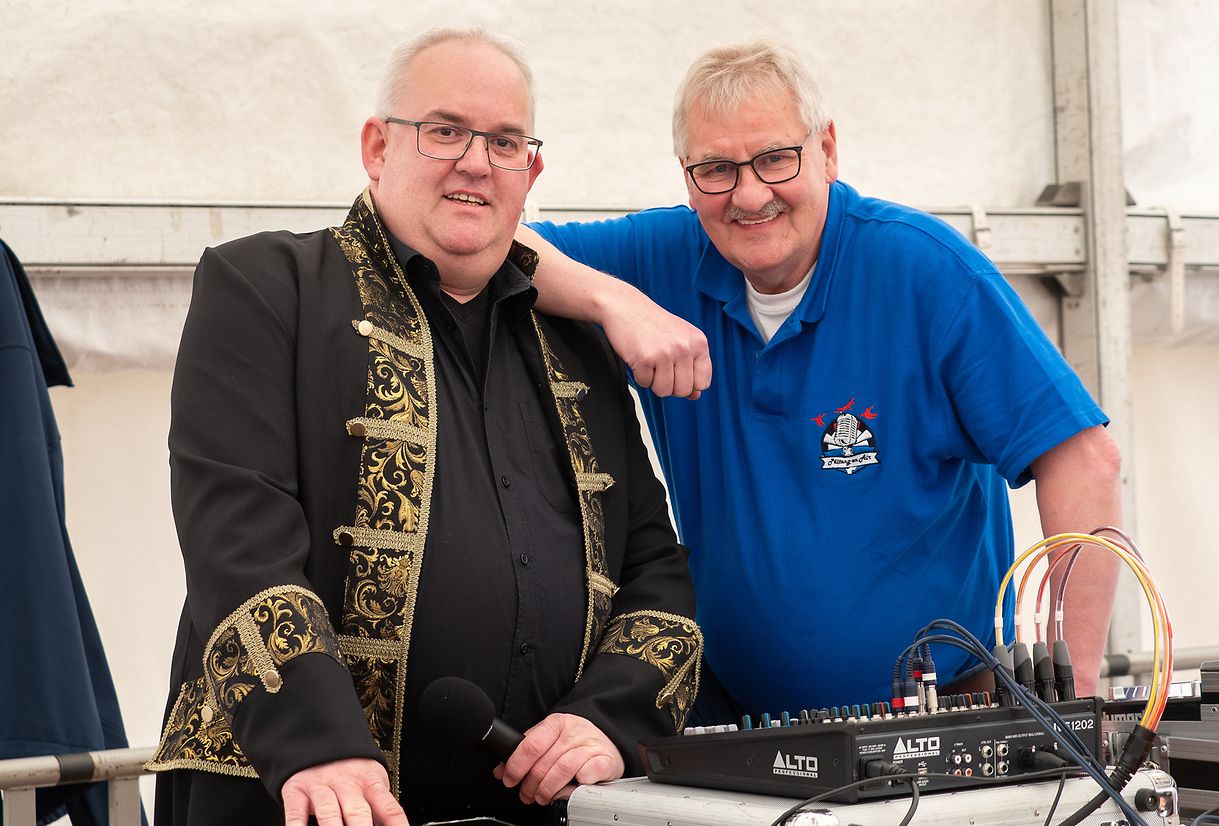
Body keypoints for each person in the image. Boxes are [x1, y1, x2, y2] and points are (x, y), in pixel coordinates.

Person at [146, 28, 701, 826]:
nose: (476, 162)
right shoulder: (265, 286)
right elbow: (235, 540)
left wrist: (606, 719)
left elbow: (655, 571)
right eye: (444, 130)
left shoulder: (577, 344)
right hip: (297, 797)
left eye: (505, 141)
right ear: (377, 147)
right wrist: (317, 742)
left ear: (530, 171)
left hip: (540, 810)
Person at [517, 38, 1121, 719]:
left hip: (943, 719)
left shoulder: (923, 272)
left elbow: (1084, 459)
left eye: (776, 159)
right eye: (715, 168)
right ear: (685, 177)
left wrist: (1078, 704)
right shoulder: (659, 259)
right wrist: (614, 302)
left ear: (828, 150)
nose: (749, 194)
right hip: (735, 720)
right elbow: (491, 241)